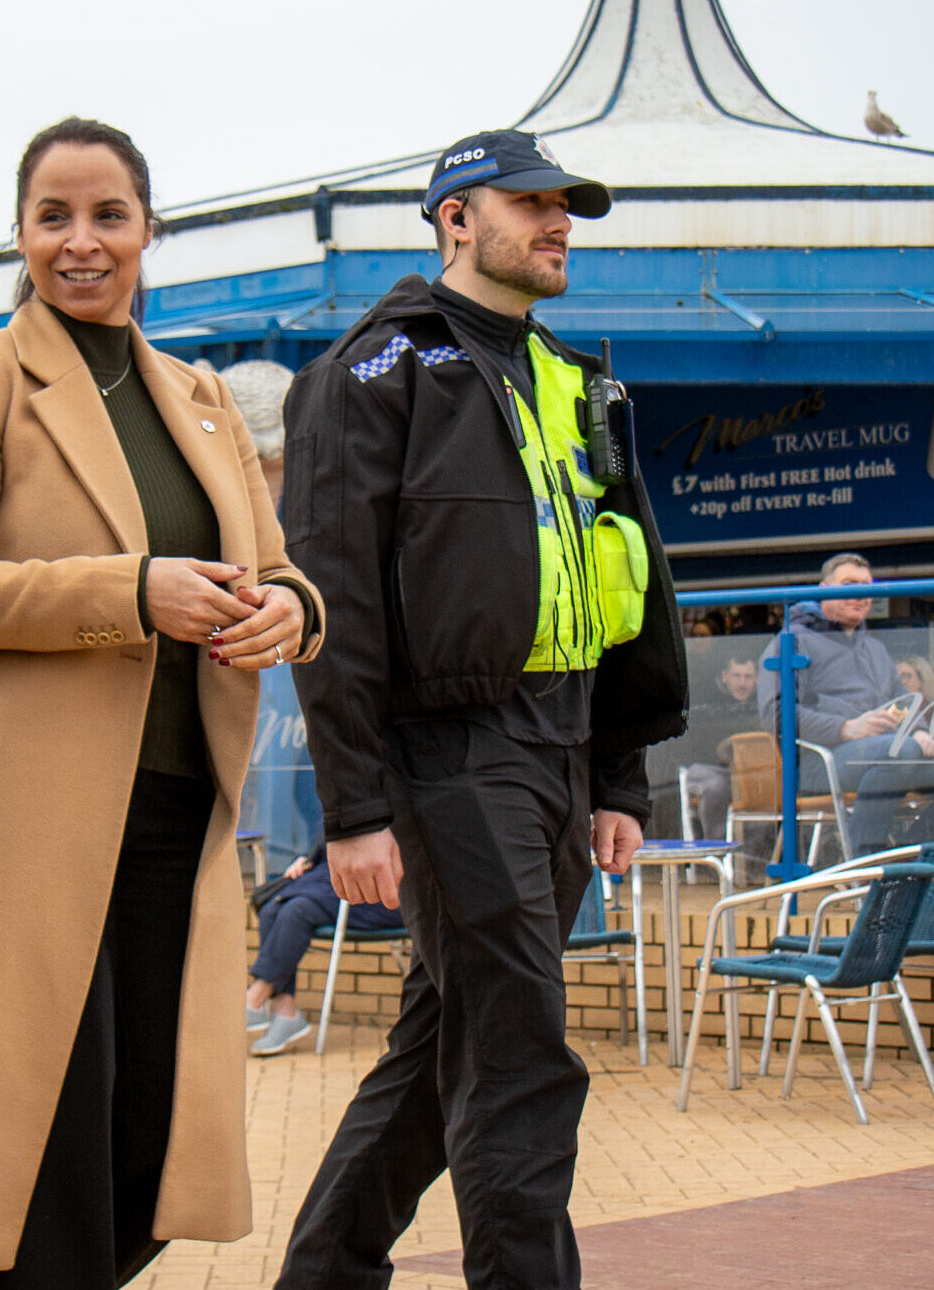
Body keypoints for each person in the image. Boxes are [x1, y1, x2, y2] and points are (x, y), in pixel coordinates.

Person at [0, 117, 324, 1289]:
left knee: (153, 1141)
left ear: (147, 229)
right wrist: (131, 591)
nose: (81, 241)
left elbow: (281, 568)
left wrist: (293, 616)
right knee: (48, 1135)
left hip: (177, 810)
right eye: (52, 216)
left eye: (107, 214)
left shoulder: (202, 398)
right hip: (25, 810)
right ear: (18, 233)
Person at [273, 129, 687, 1289]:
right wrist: (352, 806)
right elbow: (332, 601)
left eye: (569, 208)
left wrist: (615, 774)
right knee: (520, 1055)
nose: (560, 223)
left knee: (442, 1043)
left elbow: (623, 582)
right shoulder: (372, 370)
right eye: (533, 203)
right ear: (456, 216)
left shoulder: (580, 380)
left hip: (559, 750)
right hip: (446, 752)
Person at [757, 553, 934, 853]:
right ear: (823, 588)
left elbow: (904, 702)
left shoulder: (874, 648)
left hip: (891, 754)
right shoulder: (791, 641)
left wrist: (919, 730)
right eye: (849, 584)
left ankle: (912, 850)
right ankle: (868, 866)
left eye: (866, 586)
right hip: (819, 761)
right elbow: (774, 713)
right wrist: (847, 728)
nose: (860, 594)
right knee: (901, 752)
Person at [245, 845, 400, 1056]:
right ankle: (285, 1011)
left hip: (378, 892)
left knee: (296, 911)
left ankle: (256, 997)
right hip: (334, 882)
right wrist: (307, 859)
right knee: (271, 910)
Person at [677, 654, 763, 839]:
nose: (742, 683)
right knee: (717, 786)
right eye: (736, 676)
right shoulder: (707, 702)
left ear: (757, 679)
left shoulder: (764, 706)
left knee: (763, 784)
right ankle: (715, 848)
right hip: (705, 769)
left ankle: (754, 855)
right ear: (725, 676)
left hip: (746, 773)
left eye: (747, 677)